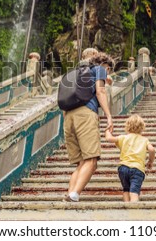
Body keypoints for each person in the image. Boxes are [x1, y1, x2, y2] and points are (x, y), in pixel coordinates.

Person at [63, 52, 115, 202]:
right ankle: (75, 194)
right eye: (109, 71)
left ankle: (70, 193)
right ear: (107, 66)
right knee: (91, 160)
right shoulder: (99, 69)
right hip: (86, 114)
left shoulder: (76, 73)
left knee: (81, 163)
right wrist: (108, 116)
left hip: (69, 116)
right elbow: (100, 91)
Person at [104, 114, 155, 202]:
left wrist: (107, 130)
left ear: (127, 126)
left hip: (123, 168)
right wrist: (150, 161)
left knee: (126, 190)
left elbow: (109, 138)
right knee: (134, 192)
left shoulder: (123, 137)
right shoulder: (144, 140)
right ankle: (134, 210)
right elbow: (152, 149)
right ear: (142, 127)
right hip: (137, 169)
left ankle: (127, 208)